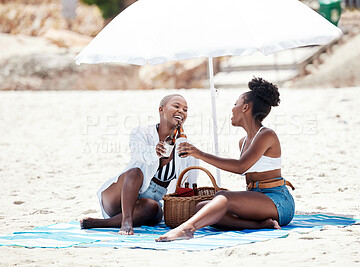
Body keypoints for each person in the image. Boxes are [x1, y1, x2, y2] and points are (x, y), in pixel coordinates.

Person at [156, 77, 295, 242]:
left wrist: (200, 154)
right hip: (258, 197)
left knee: (223, 197)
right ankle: (260, 225)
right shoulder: (243, 142)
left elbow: (241, 167)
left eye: (235, 104)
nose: (232, 109)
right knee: (202, 207)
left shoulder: (266, 135)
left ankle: (187, 229)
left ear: (245, 107)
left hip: (277, 200)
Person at [81, 94, 198, 235]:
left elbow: (189, 184)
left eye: (185, 110)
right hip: (120, 195)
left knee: (155, 209)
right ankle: (126, 222)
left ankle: (98, 223)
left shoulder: (187, 147)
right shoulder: (141, 132)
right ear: (161, 110)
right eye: (176, 106)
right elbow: (138, 153)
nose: (181, 111)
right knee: (135, 172)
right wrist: (155, 151)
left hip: (144, 205)